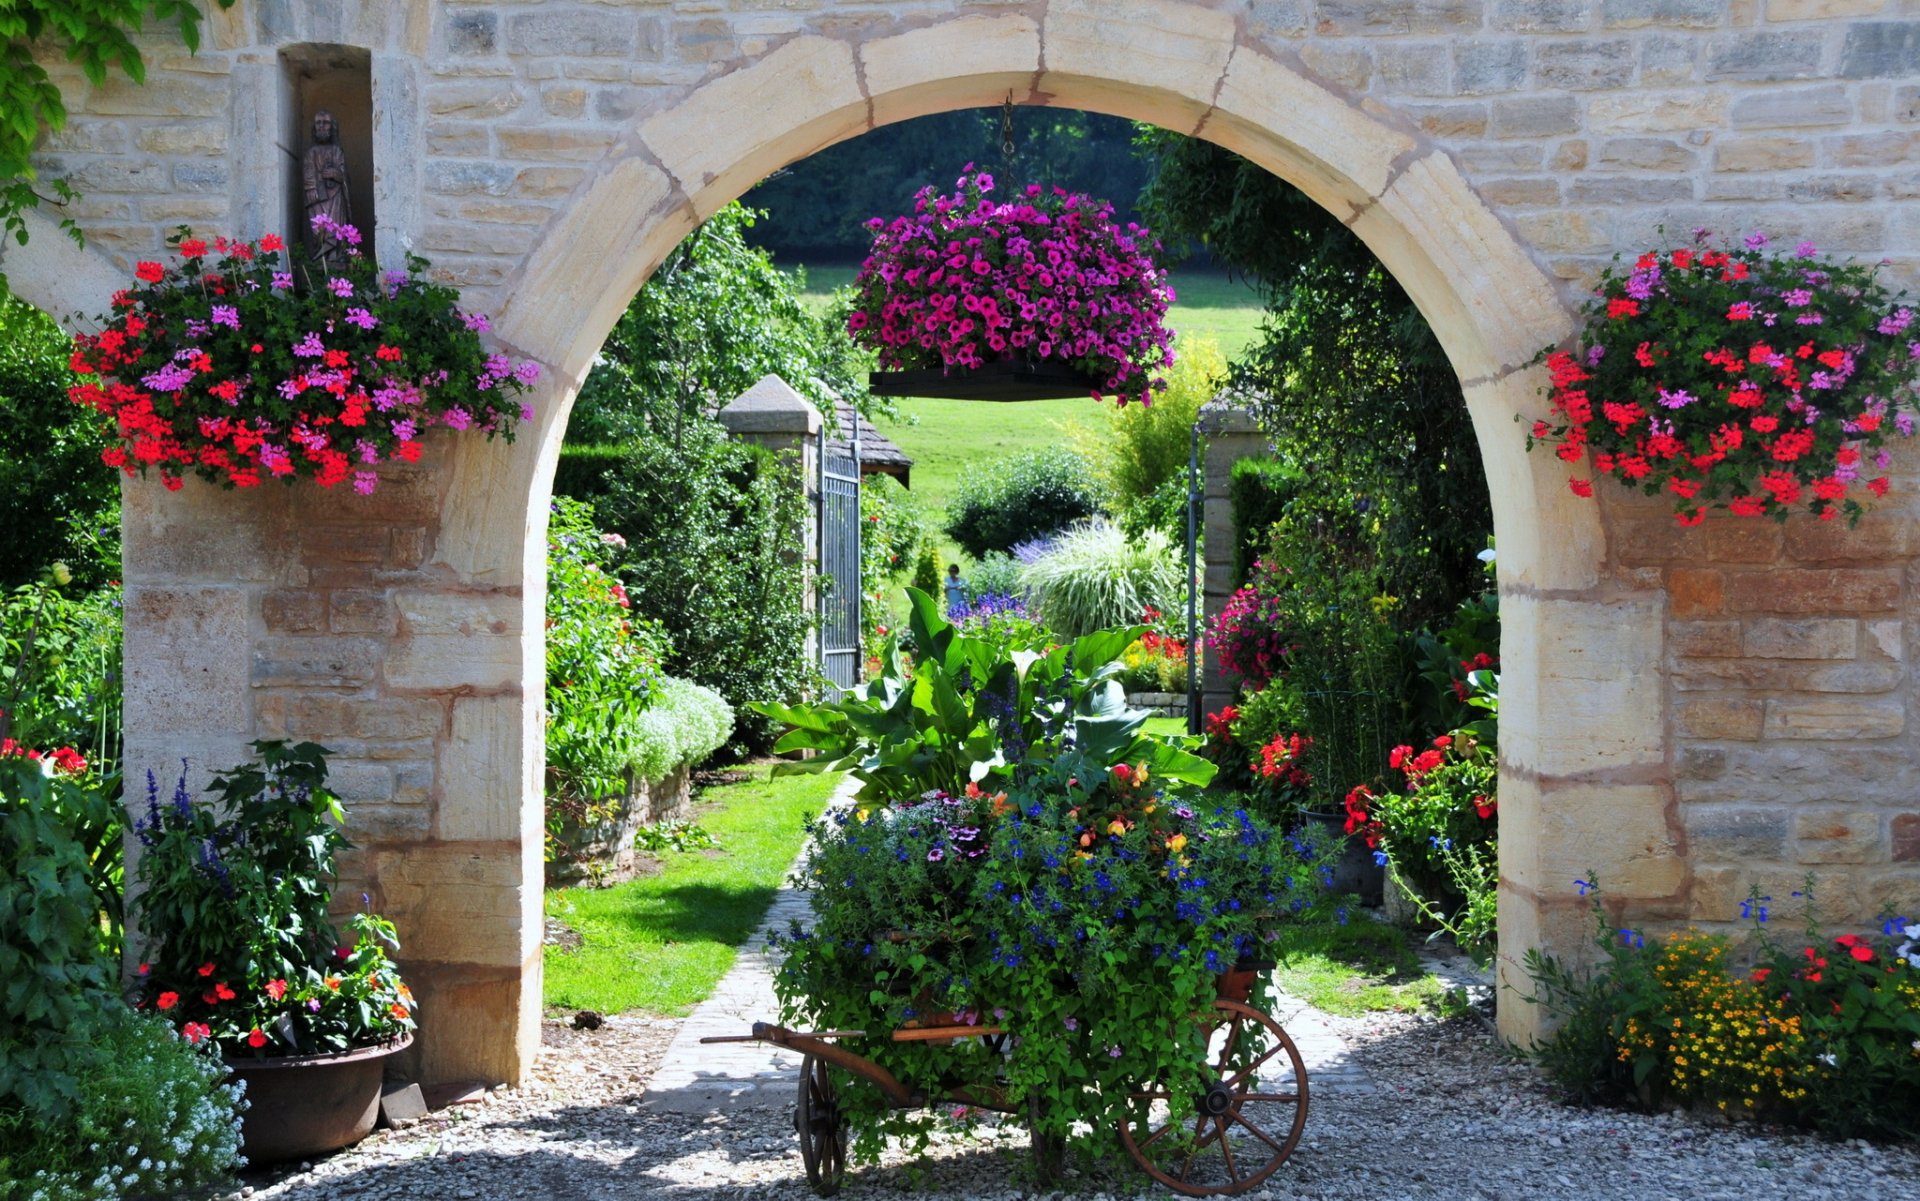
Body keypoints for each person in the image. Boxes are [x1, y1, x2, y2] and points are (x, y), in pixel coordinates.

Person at [302, 108, 351, 268]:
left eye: (326, 123)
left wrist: (336, 174)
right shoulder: (311, 153)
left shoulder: (337, 151)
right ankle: (320, 258)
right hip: (317, 199)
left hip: (336, 198)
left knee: (336, 228)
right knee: (319, 231)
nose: (322, 127)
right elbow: (308, 177)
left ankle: (335, 256)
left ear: (332, 127)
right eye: (318, 123)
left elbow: (344, 176)